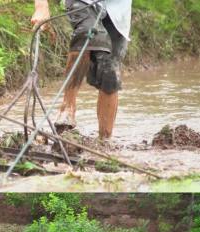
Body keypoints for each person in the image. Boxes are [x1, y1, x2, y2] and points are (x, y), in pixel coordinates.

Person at [31, 0, 132, 140]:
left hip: (118, 12)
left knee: (109, 71)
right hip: (83, 2)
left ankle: (105, 141)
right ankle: (67, 108)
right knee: (87, 34)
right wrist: (41, 6)